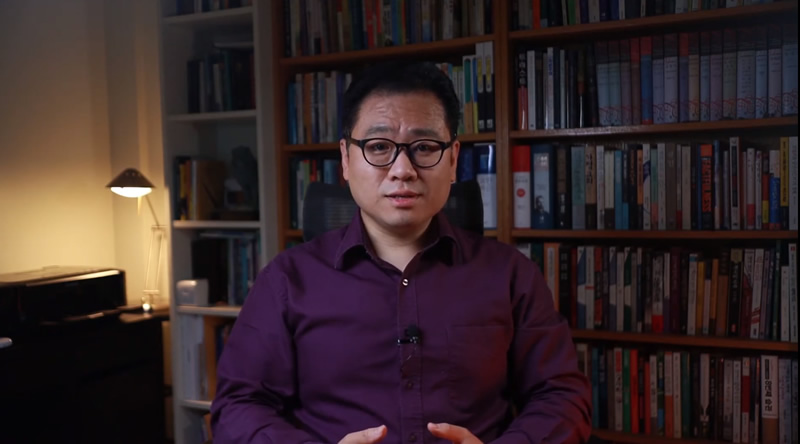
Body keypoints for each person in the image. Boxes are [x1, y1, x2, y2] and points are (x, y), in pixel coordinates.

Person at [211, 61, 592, 444]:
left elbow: (561, 395)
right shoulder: (287, 280)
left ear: (453, 159)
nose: (403, 170)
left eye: (424, 147)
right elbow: (238, 405)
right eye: (379, 147)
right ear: (346, 159)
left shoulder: (510, 275)